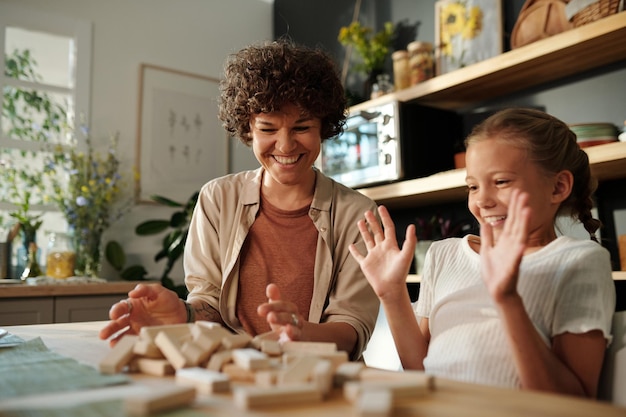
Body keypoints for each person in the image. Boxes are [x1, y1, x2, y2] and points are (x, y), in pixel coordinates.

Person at [99, 40, 380, 360]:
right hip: (235, 373)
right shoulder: (217, 199)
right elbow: (210, 306)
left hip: (321, 380)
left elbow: (352, 328)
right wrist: (183, 315)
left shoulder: (358, 214)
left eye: (302, 127)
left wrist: (302, 333)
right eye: (268, 128)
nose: (285, 146)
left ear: (323, 128)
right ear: (248, 128)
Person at [349, 108, 616, 397]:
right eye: (473, 186)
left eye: (501, 182)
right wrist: (392, 294)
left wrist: (508, 300)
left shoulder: (580, 261)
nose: (483, 200)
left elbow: (574, 403)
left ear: (558, 187)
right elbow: (421, 372)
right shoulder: (444, 254)